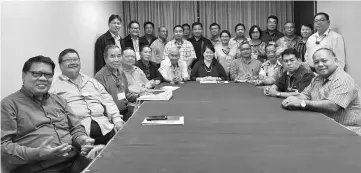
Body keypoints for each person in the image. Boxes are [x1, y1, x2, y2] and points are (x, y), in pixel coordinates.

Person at [1, 56, 96, 173]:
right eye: (36, 74)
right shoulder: (9, 104)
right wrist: (37, 153)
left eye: (48, 75)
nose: (43, 78)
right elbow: (3, 146)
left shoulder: (59, 100)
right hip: (37, 167)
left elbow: (76, 128)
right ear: (23, 75)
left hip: (73, 159)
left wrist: (82, 140)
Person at [50, 49, 125, 145]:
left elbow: (108, 101)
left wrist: (117, 120)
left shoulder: (92, 81)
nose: (73, 62)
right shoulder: (54, 86)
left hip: (107, 129)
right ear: (60, 65)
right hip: (78, 137)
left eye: (75, 59)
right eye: (68, 60)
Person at [282, 48, 361, 135]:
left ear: (335, 61)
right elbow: (305, 95)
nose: (320, 64)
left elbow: (333, 106)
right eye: (316, 62)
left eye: (324, 61)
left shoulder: (343, 79)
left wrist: (302, 103)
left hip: (347, 130)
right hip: (324, 125)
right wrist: (291, 100)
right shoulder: (317, 79)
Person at [94, 45, 134, 122]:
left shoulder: (121, 72)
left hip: (126, 111)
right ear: (105, 58)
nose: (116, 60)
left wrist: (141, 95)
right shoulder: (100, 77)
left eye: (119, 56)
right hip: (113, 118)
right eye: (112, 56)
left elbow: (126, 94)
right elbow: (101, 103)